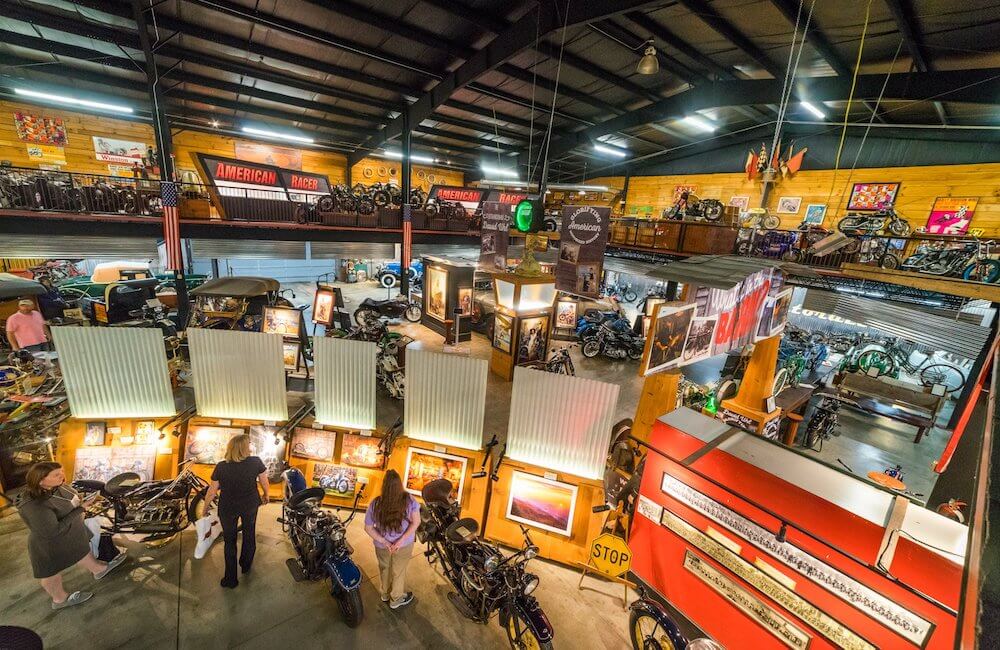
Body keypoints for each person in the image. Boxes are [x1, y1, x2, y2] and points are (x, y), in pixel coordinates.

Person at [16, 462, 127, 610]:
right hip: (49, 544)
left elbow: (70, 499)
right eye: (56, 474)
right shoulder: (33, 505)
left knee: (80, 550)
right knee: (50, 573)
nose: (61, 475)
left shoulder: (56, 486)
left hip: (71, 532)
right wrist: (81, 509)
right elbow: (52, 531)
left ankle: (98, 569)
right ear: (40, 480)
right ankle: (60, 599)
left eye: (61, 471)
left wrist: (84, 500)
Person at [203, 434, 269, 588]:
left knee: (229, 541)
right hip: (250, 504)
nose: (251, 446)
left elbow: (212, 491)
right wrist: (266, 495)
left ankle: (231, 579)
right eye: (249, 443)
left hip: (228, 507)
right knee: (249, 533)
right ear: (244, 447)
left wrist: (205, 509)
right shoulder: (255, 462)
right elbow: (264, 481)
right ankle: (246, 565)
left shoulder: (221, 466)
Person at [364, 469, 419, 610]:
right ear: (400, 484)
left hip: (382, 546)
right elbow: (416, 522)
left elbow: (368, 528)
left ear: (384, 485)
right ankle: (396, 599)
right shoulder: (409, 500)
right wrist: (400, 541)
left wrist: (385, 542)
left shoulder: (375, 504)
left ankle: (385, 594)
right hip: (403, 545)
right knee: (398, 571)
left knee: (384, 568)